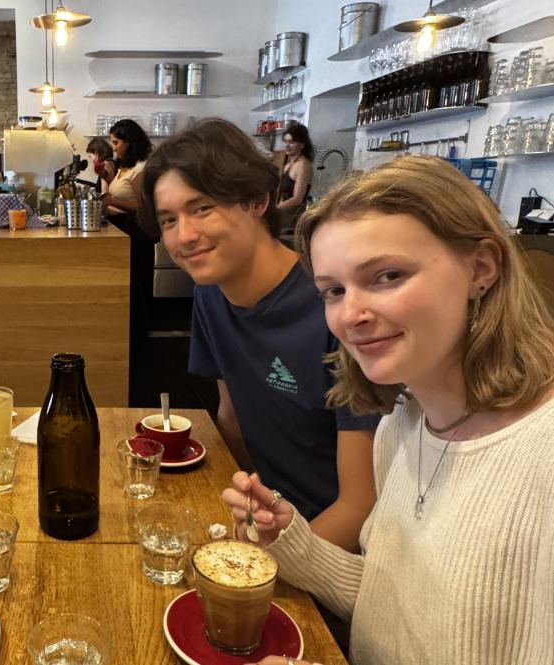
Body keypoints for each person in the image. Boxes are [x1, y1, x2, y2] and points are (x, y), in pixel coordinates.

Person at [224, 155, 554, 665]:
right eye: (334, 291)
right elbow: (393, 605)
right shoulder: (402, 425)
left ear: (481, 269)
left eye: (388, 276)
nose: (351, 314)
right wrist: (292, 542)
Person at [139, 118, 379, 553]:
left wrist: (264, 562)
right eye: (169, 219)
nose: (184, 235)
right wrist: (253, 513)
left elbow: (360, 505)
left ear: (257, 200)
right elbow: (231, 418)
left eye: (202, 208)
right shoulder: (210, 293)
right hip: (269, 522)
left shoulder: (334, 306)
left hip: (338, 549)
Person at [101, 118, 153, 224]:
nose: (114, 148)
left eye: (116, 143)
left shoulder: (139, 170)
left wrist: (112, 201)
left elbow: (143, 207)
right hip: (118, 223)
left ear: (129, 142)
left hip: (130, 227)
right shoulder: (126, 167)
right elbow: (125, 192)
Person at [274, 123, 314, 236]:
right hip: (283, 217)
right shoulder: (287, 165)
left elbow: (297, 199)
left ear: (302, 144)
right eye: (285, 142)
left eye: (291, 142)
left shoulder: (303, 166)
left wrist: (275, 208)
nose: (287, 146)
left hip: (292, 220)